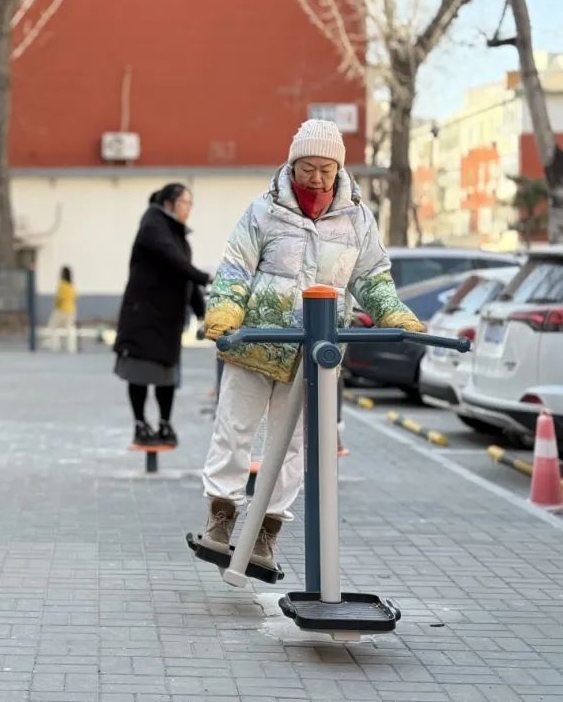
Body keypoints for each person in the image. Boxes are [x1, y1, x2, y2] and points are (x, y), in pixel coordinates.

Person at [197, 119, 424, 570]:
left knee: (294, 445)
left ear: (338, 169)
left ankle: (266, 531)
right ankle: (220, 517)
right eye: (307, 168)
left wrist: (392, 313)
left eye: (325, 169)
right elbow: (235, 268)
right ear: (292, 164)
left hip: (312, 353)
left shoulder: (357, 219)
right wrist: (224, 312)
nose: (316, 179)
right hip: (256, 344)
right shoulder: (263, 211)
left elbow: (372, 276)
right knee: (234, 429)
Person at [114, 184, 211, 449]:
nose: (188, 209)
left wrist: (202, 312)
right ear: (169, 203)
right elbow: (175, 262)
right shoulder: (153, 225)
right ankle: (140, 424)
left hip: (167, 319)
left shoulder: (178, 236)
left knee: (166, 373)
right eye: (185, 202)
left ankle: (165, 424)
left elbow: (184, 276)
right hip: (143, 315)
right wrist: (207, 278)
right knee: (140, 371)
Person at [44, 265, 78, 352]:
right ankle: (72, 348)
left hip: (61, 309)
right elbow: (75, 297)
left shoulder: (61, 285)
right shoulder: (72, 286)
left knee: (52, 327)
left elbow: (59, 298)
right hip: (71, 309)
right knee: (70, 329)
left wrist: (56, 307)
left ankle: (55, 346)